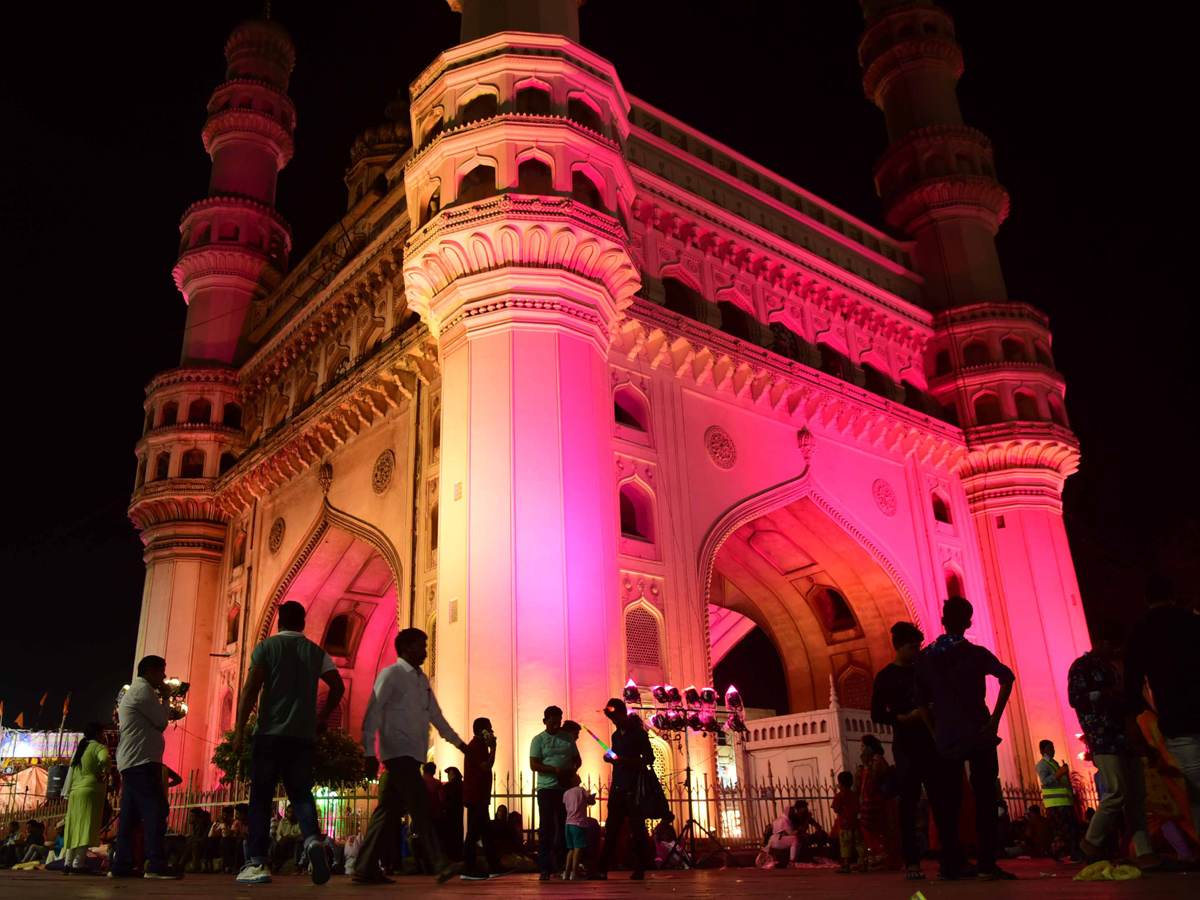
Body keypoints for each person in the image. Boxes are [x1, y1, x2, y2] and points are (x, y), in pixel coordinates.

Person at [233, 600, 345, 885]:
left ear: (279, 621)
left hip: (269, 735)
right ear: (303, 623)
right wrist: (322, 718)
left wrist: (238, 730)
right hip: (301, 737)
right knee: (301, 795)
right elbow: (338, 687)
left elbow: (250, 689)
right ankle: (312, 841)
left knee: (260, 799)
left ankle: (257, 863)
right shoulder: (315, 651)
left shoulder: (266, 648)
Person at [915, 597, 1017, 880]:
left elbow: (920, 700)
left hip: (947, 734)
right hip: (978, 731)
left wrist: (935, 732)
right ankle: (986, 863)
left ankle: (951, 863)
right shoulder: (974, 653)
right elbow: (1007, 677)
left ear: (943, 620)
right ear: (969, 622)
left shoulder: (926, 657)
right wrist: (995, 719)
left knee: (948, 802)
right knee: (985, 798)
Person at [355, 627, 467, 885]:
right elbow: (374, 711)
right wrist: (369, 753)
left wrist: (459, 743)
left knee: (389, 810)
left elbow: (435, 714)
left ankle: (364, 865)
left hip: (413, 753)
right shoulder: (391, 675)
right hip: (397, 751)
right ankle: (439, 862)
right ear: (406, 647)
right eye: (421, 646)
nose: (426, 651)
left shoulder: (420, 679)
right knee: (420, 805)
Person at [1068, 620, 1158, 865]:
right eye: (1112, 644)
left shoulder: (1111, 668)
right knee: (1117, 792)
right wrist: (1110, 694)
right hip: (1103, 737)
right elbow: (1077, 699)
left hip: (1124, 735)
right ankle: (1090, 843)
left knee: (1137, 797)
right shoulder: (1082, 667)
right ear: (1100, 642)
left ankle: (1144, 851)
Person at [1125, 575, 1200, 838]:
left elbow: (1132, 678)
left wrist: (1132, 718)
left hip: (1177, 715)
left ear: (1146, 600)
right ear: (1172, 594)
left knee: (1194, 783)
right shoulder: (1193, 622)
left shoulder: (1142, 629)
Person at [872, 621, 939, 880]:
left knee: (941, 801)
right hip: (907, 745)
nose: (917, 651)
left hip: (931, 742)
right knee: (908, 804)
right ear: (899, 647)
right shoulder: (886, 676)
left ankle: (951, 858)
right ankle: (911, 862)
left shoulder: (922, 672)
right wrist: (903, 718)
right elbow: (877, 714)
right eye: (913, 647)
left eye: (919, 646)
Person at [111, 655, 179, 879]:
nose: (164, 677)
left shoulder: (139, 691)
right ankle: (156, 864)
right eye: (162, 671)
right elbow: (161, 722)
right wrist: (167, 698)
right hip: (140, 760)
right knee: (157, 810)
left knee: (130, 817)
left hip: (134, 760)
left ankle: (121, 864)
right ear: (151, 670)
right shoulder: (143, 691)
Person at [595, 698, 655, 880]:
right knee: (612, 828)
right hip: (618, 786)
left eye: (616, 718)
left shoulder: (638, 734)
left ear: (623, 713)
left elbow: (649, 759)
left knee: (637, 830)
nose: (614, 722)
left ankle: (640, 868)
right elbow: (617, 756)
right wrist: (611, 758)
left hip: (634, 787)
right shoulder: (616, 736)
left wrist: (625, 761)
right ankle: (602, 867)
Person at [461, 717, 512, 881]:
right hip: (476, 795)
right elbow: (486, 766)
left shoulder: (477, 746)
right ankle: (469, 868)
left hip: (478, 795)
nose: (492, 732)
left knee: (486, 833)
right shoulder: (477, 746)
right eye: (490, 729)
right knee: (475, 833)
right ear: (482, 731)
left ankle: (493, 865)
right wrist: (494, 748)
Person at [529, 705, 576, 881]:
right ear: (545, 721)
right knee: (547, 827)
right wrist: (555, 770)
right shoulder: (538, 740)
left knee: (565, 826)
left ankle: (562, 863)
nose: (556, 727)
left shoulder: (568, 739)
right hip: (546, 788)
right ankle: (545, 867)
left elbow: (576, 758)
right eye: (553, 723)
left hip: (564, 789)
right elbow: (534, 765)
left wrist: (571, 770)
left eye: (558, 723)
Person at [62, 721, 109, 874]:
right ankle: (78, 864)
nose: (104, 736)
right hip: (90, 790)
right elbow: (105, 760)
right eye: (102, 733)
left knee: (74, 827)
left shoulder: (80, 750)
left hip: (75, 792)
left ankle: (67, 863)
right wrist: (104, 772)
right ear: (97, 734)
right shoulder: (99, 748)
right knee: (85, 827)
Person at [1034, 741, 1078, 861]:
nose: (1052, 750)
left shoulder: (1054, 763)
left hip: (1064, 801)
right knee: (1063, 829)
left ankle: (1065, 852)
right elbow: (1045, 781)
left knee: (1070, 829)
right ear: (1042, 751)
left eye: (1053, 747)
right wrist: (1060, 773)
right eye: (1049, 748)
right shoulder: (1042, 764)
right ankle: (1055, 850)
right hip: (1055, 803)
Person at [857, 734, 893, 867]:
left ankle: (884, 860)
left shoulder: (877, 761)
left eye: (862, 746)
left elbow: (874, 782)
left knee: (878, 831)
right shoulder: (872, 761)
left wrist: (866, 766)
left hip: (877, 801)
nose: (860, 749)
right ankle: (875, 859)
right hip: (869, 800)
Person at [562, 772, 595, 881]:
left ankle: (566, 873)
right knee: (578, 849)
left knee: (570, 850)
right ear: (572, 780)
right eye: (576, 775)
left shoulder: (566, 793)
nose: (578, 775)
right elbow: (592, 801)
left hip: (568, 824)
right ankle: (574, 872)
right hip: (579, 824)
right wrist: (590, 798)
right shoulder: (581, 790)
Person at [833, 771, 866, 873]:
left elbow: (836, 809)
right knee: (859, 844)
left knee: (845, 844)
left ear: (839, 783)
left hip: (844, 824)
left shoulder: (839, 796)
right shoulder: (854, 795)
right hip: (855, 823)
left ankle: (846, 865)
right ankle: (862, 864)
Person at [441, 767, 463, 863]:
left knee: (453, 836)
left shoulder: (453, 786)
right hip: (453, 814)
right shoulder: (451, 786)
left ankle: (454, 856)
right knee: (453, 835)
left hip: (452, 813)